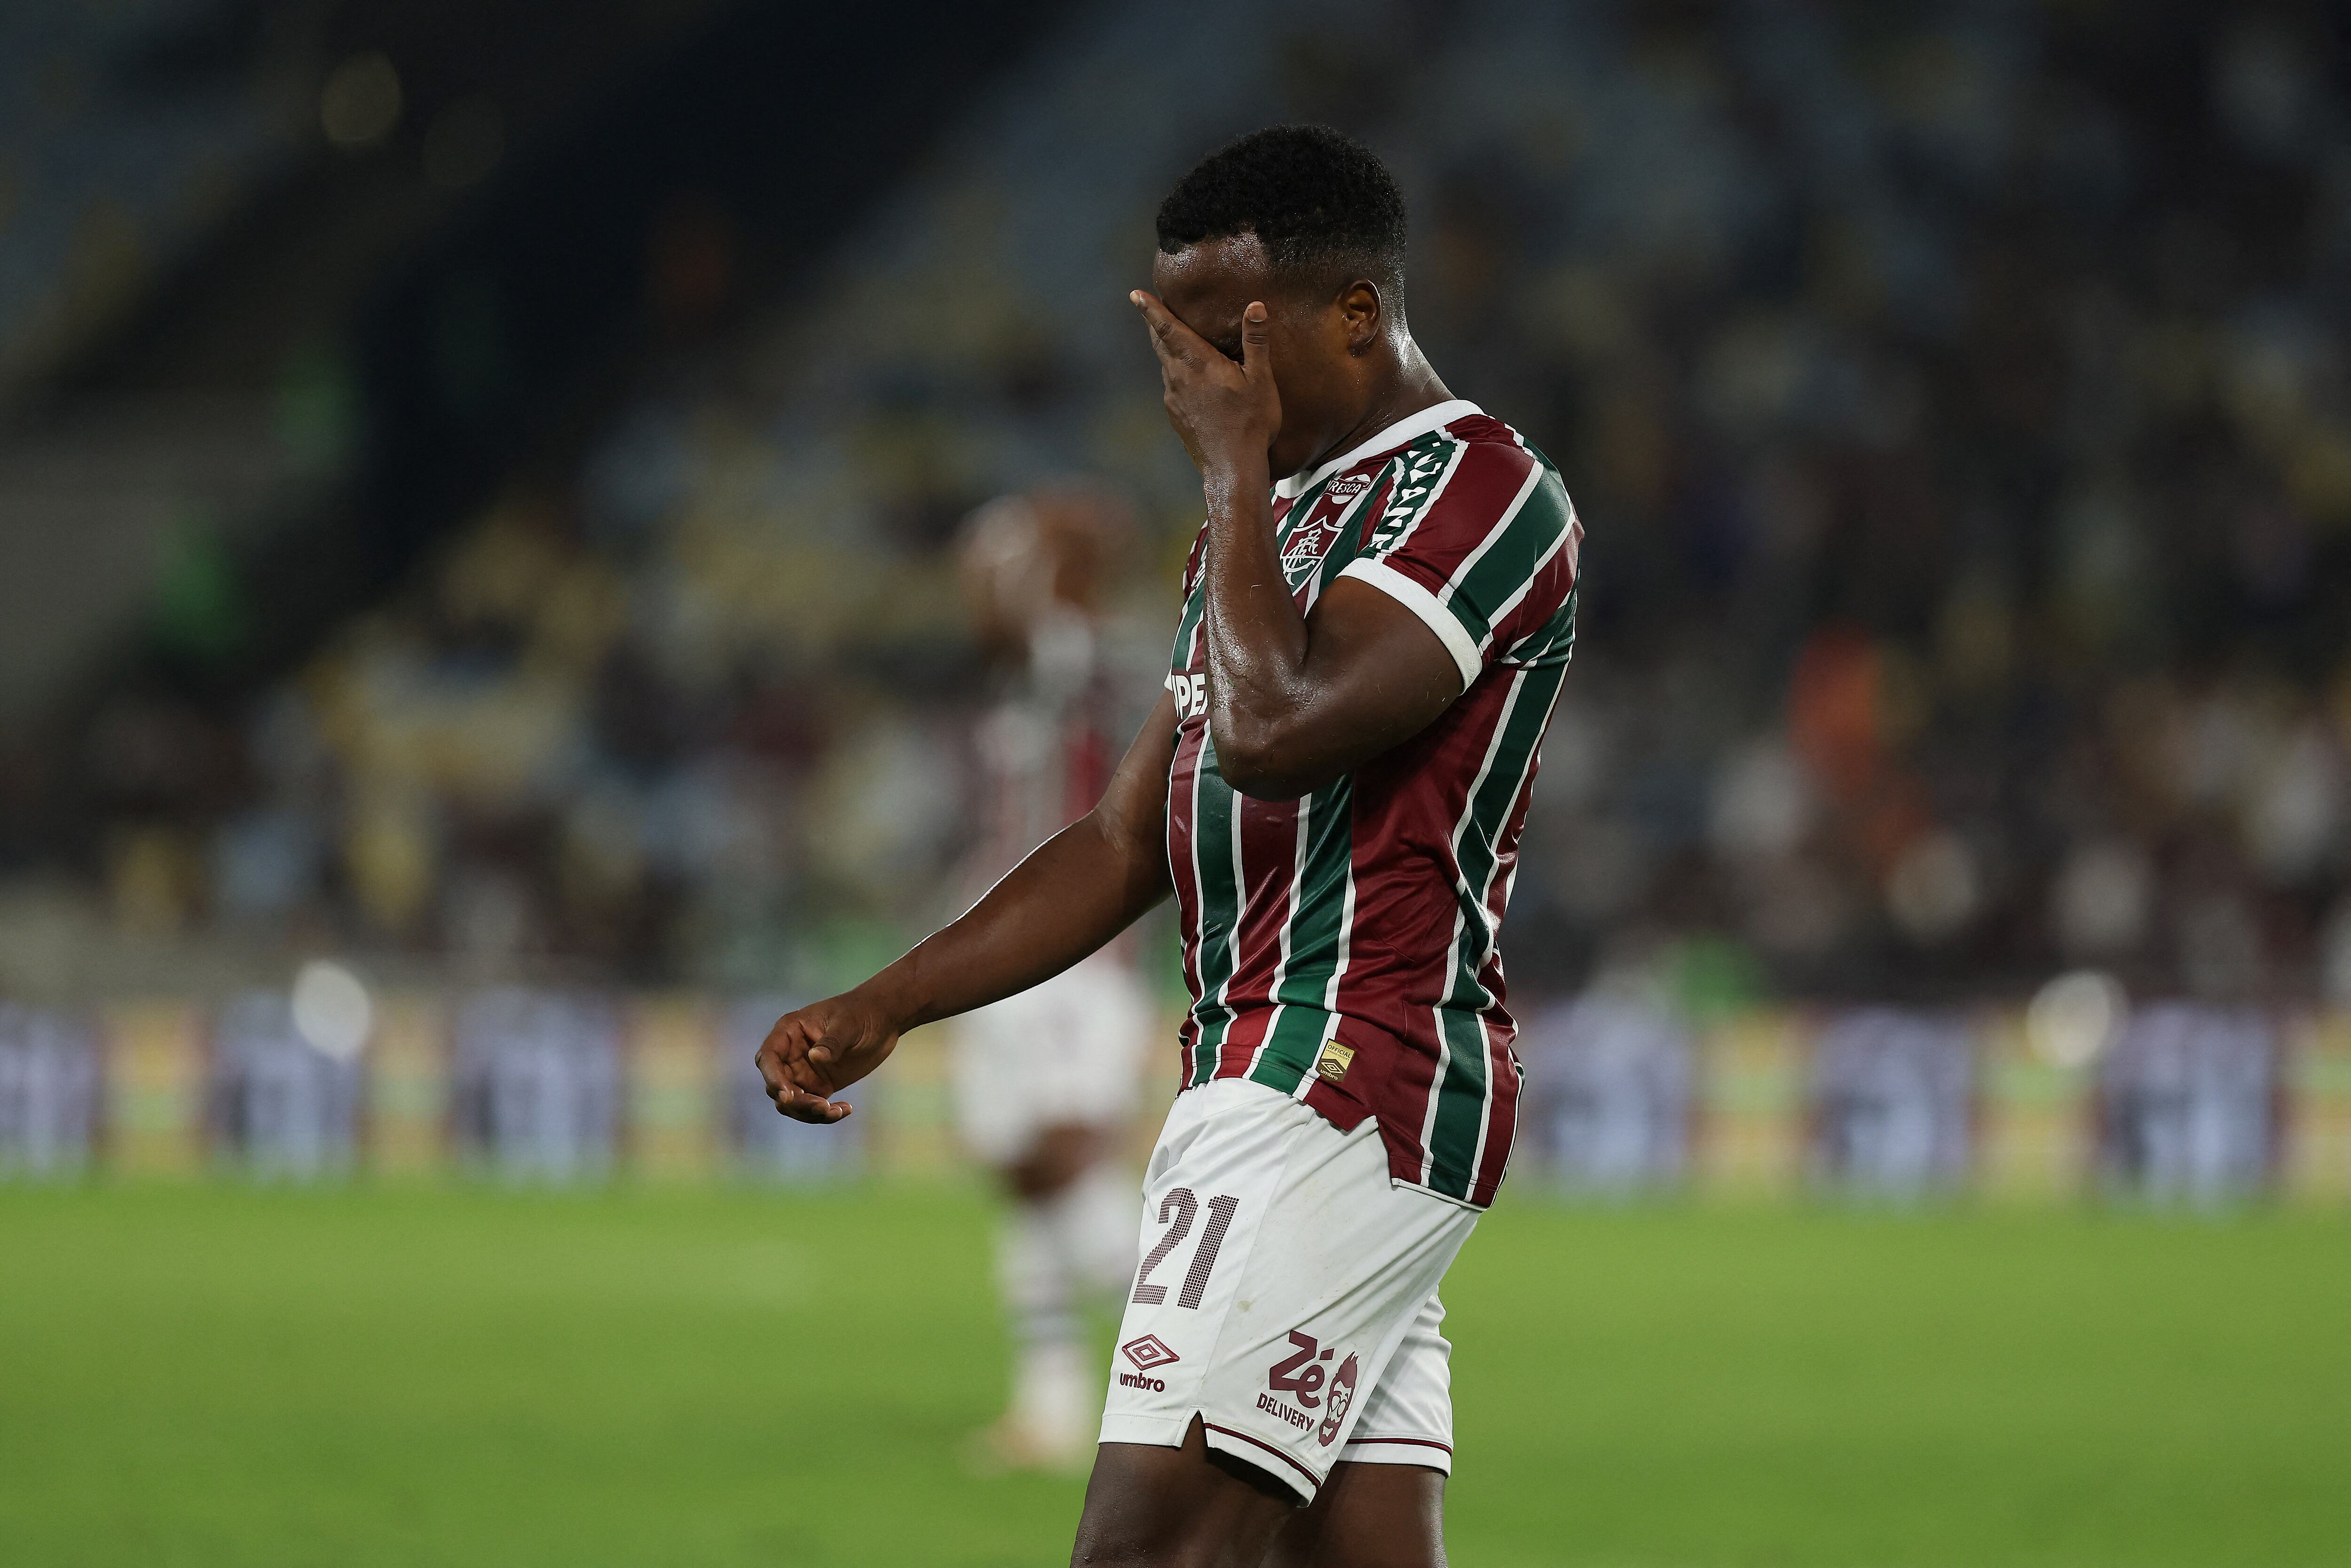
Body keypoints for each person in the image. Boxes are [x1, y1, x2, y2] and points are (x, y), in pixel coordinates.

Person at [758, 124, 1582, 1566]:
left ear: (1355, 314)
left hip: (1340, 1077)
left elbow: (1277, 731)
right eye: (1178, 348)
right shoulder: (1264, 524)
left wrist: (1229, 471)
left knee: (1140, 1554)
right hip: (1270, 1070)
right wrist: (886, 1002)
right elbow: (1131, 833)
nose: (1195, 384)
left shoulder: (1482, 492)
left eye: (1227, 344)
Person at [952, 486, 1152, 1471]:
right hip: (1008, 952)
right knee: (1024, 1179)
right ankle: (1051, 1408)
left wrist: (1032, 534)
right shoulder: (1021, 677)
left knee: (1065, 1157)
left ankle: (1201, 1364)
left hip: (1070, 959)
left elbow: (1018, 598)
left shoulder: (1072, 657)